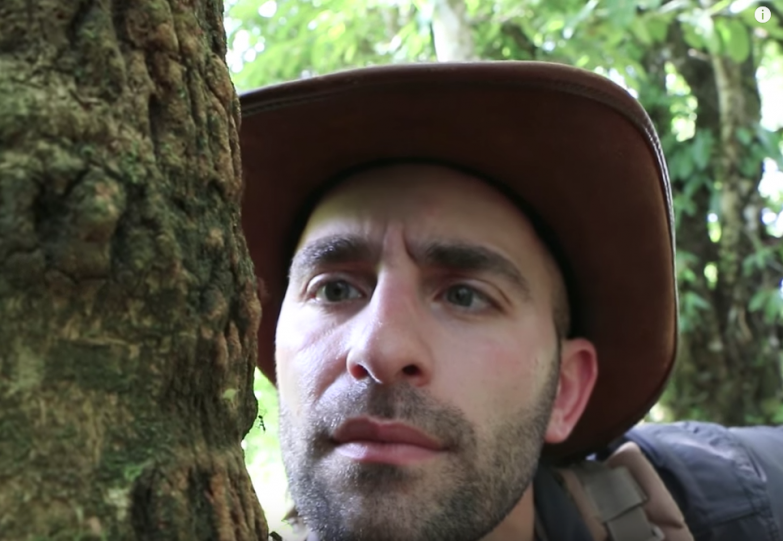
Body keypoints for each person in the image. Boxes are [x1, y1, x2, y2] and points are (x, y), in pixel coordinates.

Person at [237, 62, 783, 541]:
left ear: (565, 390)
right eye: (334, 289)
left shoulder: (736, 502)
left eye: (466, 296)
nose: (379, 348)